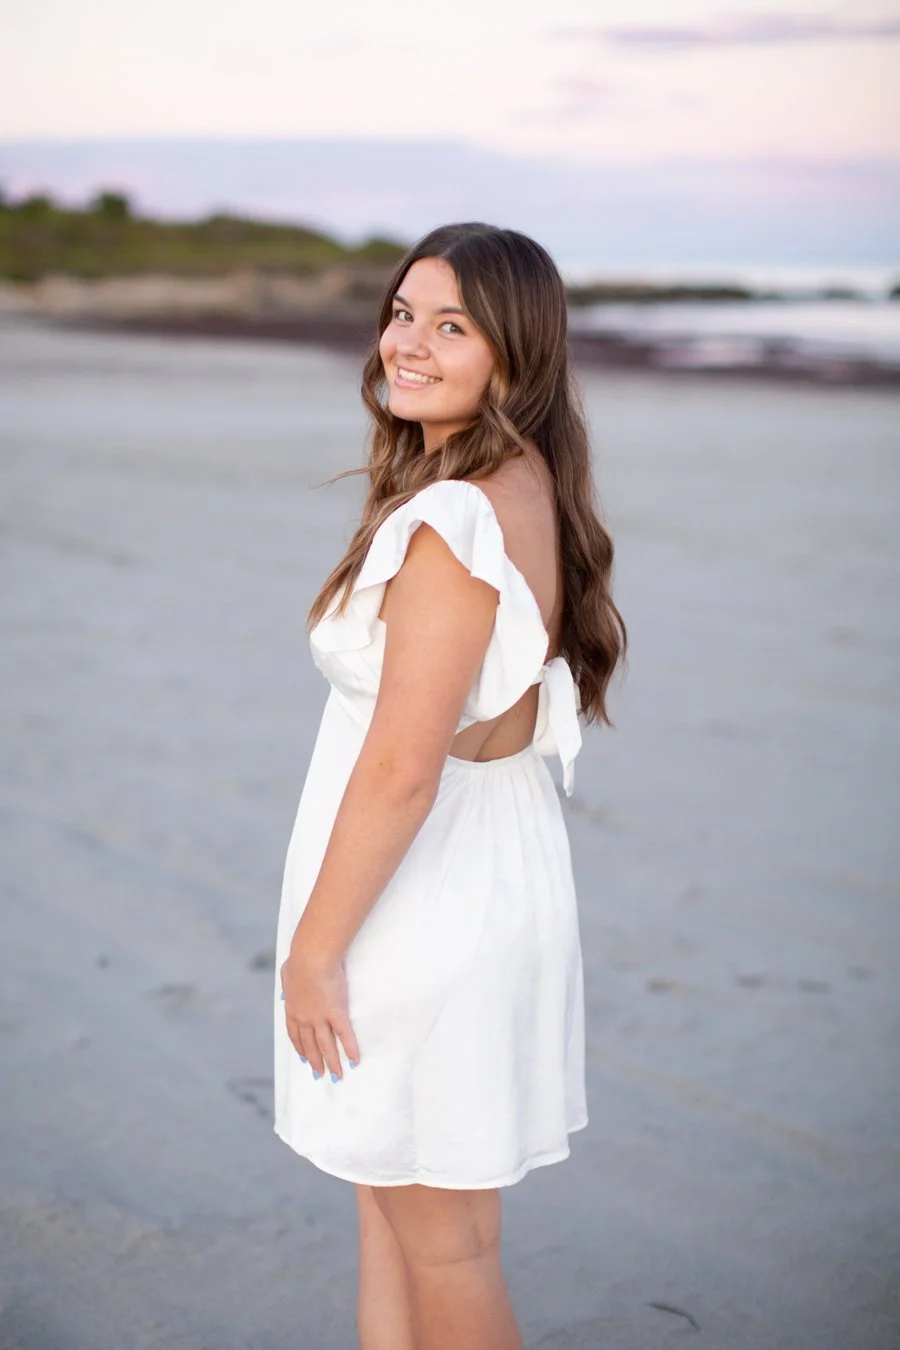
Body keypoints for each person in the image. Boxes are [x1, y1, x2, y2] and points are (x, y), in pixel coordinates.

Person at [273, 221, 627, 1350]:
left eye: (452, 326)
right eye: (402, 313)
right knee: (394, 1215)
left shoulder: (455, 518)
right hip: (481, 873)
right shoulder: (521, 482)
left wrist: (314, 950)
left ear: (514, 355)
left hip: (421, 902)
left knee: (445, 1247)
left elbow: (401, 770)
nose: (408, 344)